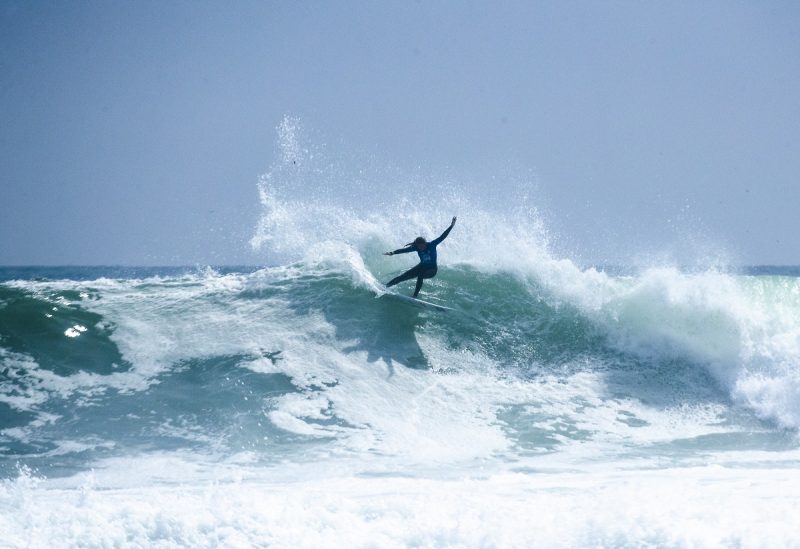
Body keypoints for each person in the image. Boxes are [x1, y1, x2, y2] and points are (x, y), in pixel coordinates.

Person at [383, 216, 457, 297]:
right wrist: (392, 252)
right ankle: (386, 286)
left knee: (420, 275)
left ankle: (415, 296)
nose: (421, 248)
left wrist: (451, 226)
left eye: (422, 246)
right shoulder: (416, 248)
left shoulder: (432, 245)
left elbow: (442, 237)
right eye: (419, 247)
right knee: (402, 277)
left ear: (425, 243)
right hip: (421, 267)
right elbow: (404, 250)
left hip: (432, 270)